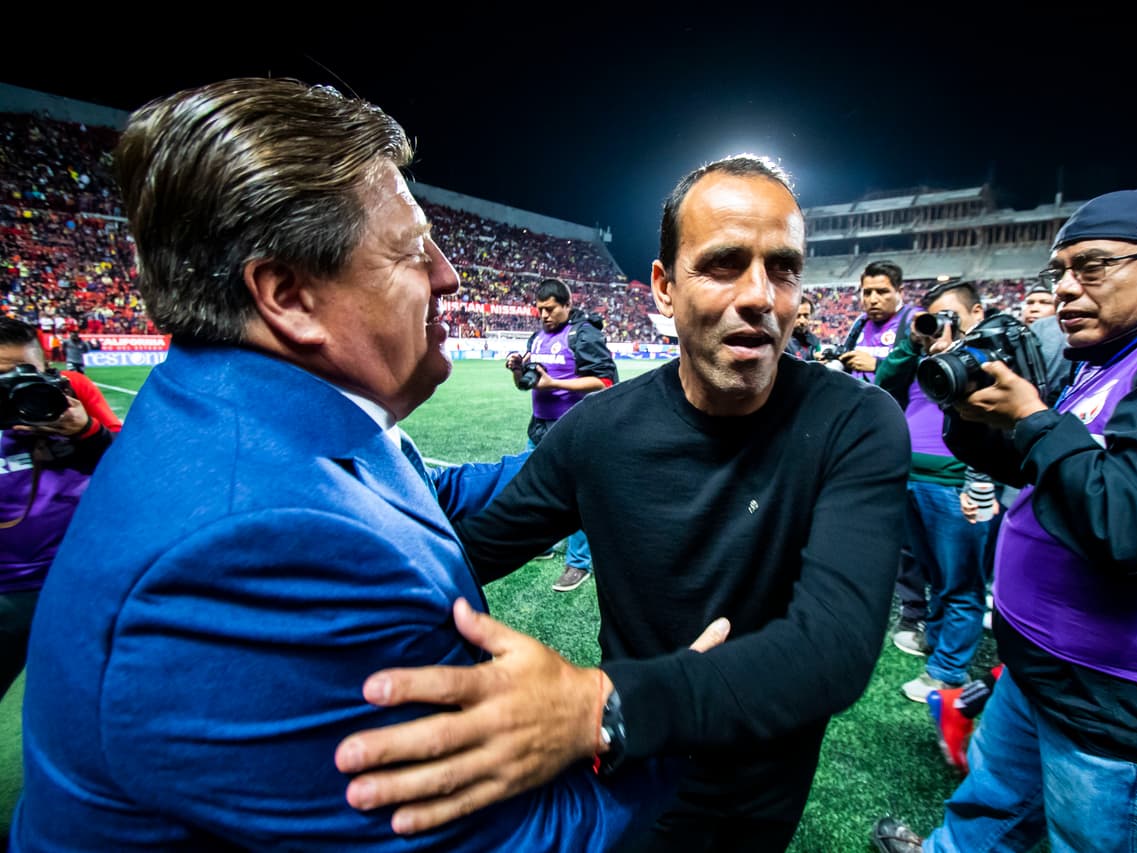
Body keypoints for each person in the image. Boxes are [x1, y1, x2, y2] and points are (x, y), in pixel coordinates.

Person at [12, 77, 715, 852]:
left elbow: (424, 495)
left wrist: (607, 448)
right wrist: (675, 711)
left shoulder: (249, 406)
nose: (449, 276)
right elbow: (491, 841)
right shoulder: (257, 546)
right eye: (413, 251)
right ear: (288, 294)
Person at [336, 154, 911, 851]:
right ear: (663, 290)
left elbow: (834, 646)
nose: (761, 293)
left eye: (783, 267)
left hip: (757, 788)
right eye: (726, 263)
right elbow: (467, 552)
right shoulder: (602, 430)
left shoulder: (857, 422)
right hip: (625, 780)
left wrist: (603, 704)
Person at [872, 190, 1137, 853]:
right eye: (1058, 270)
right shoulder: (1118, 355)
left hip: (1134, 709)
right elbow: (1049, 473)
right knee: (985, 820)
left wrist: (1031, 419)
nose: (1064, 288)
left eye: (1090, 267)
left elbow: (1132, 523)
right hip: (1050, 672)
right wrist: (981, 423)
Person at [874, 280, 996, 701]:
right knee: (935, 574)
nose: (939, 325)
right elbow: (885, 379)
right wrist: (912, 343)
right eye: (934, 317)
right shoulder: (923, 355)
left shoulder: (990, 356)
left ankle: (947, 671)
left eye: (950, 316)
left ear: (975, 315)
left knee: (961, 580)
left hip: (954, 484)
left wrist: (978, 484)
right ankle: (937, 639)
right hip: (913, 479)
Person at [0, 318, 120, 699]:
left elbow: (132, 470)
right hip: (6, 588)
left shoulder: (70, 394)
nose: (17, 388)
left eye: (28, 373)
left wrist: (86, 431)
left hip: (73, 579)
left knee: (86, 700)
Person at [506, 277, 618, 591]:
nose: (544, 315)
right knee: (536, 489)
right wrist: (518, 370)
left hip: (573, 428)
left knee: (577, 494)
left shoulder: (583, 335)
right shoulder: (536, 338)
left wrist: (556, 385)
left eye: (551, 309)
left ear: (567, 305)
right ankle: (544, 544)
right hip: (539, 427)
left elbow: (606, 382)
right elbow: (526, 385)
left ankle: (578, 564)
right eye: (540, 309)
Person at [839, 260, 914, 383]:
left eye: (882, 292)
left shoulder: (912, 323)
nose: (873, 300)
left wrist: (877, 365)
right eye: (867, 293)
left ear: (900, 292)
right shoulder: (861, 322)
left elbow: (922, 372)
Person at [784, 294, 821, 360]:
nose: (802, 321)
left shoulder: (814, 341)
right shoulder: (781, 342)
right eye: (797, 316)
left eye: (806, 315)